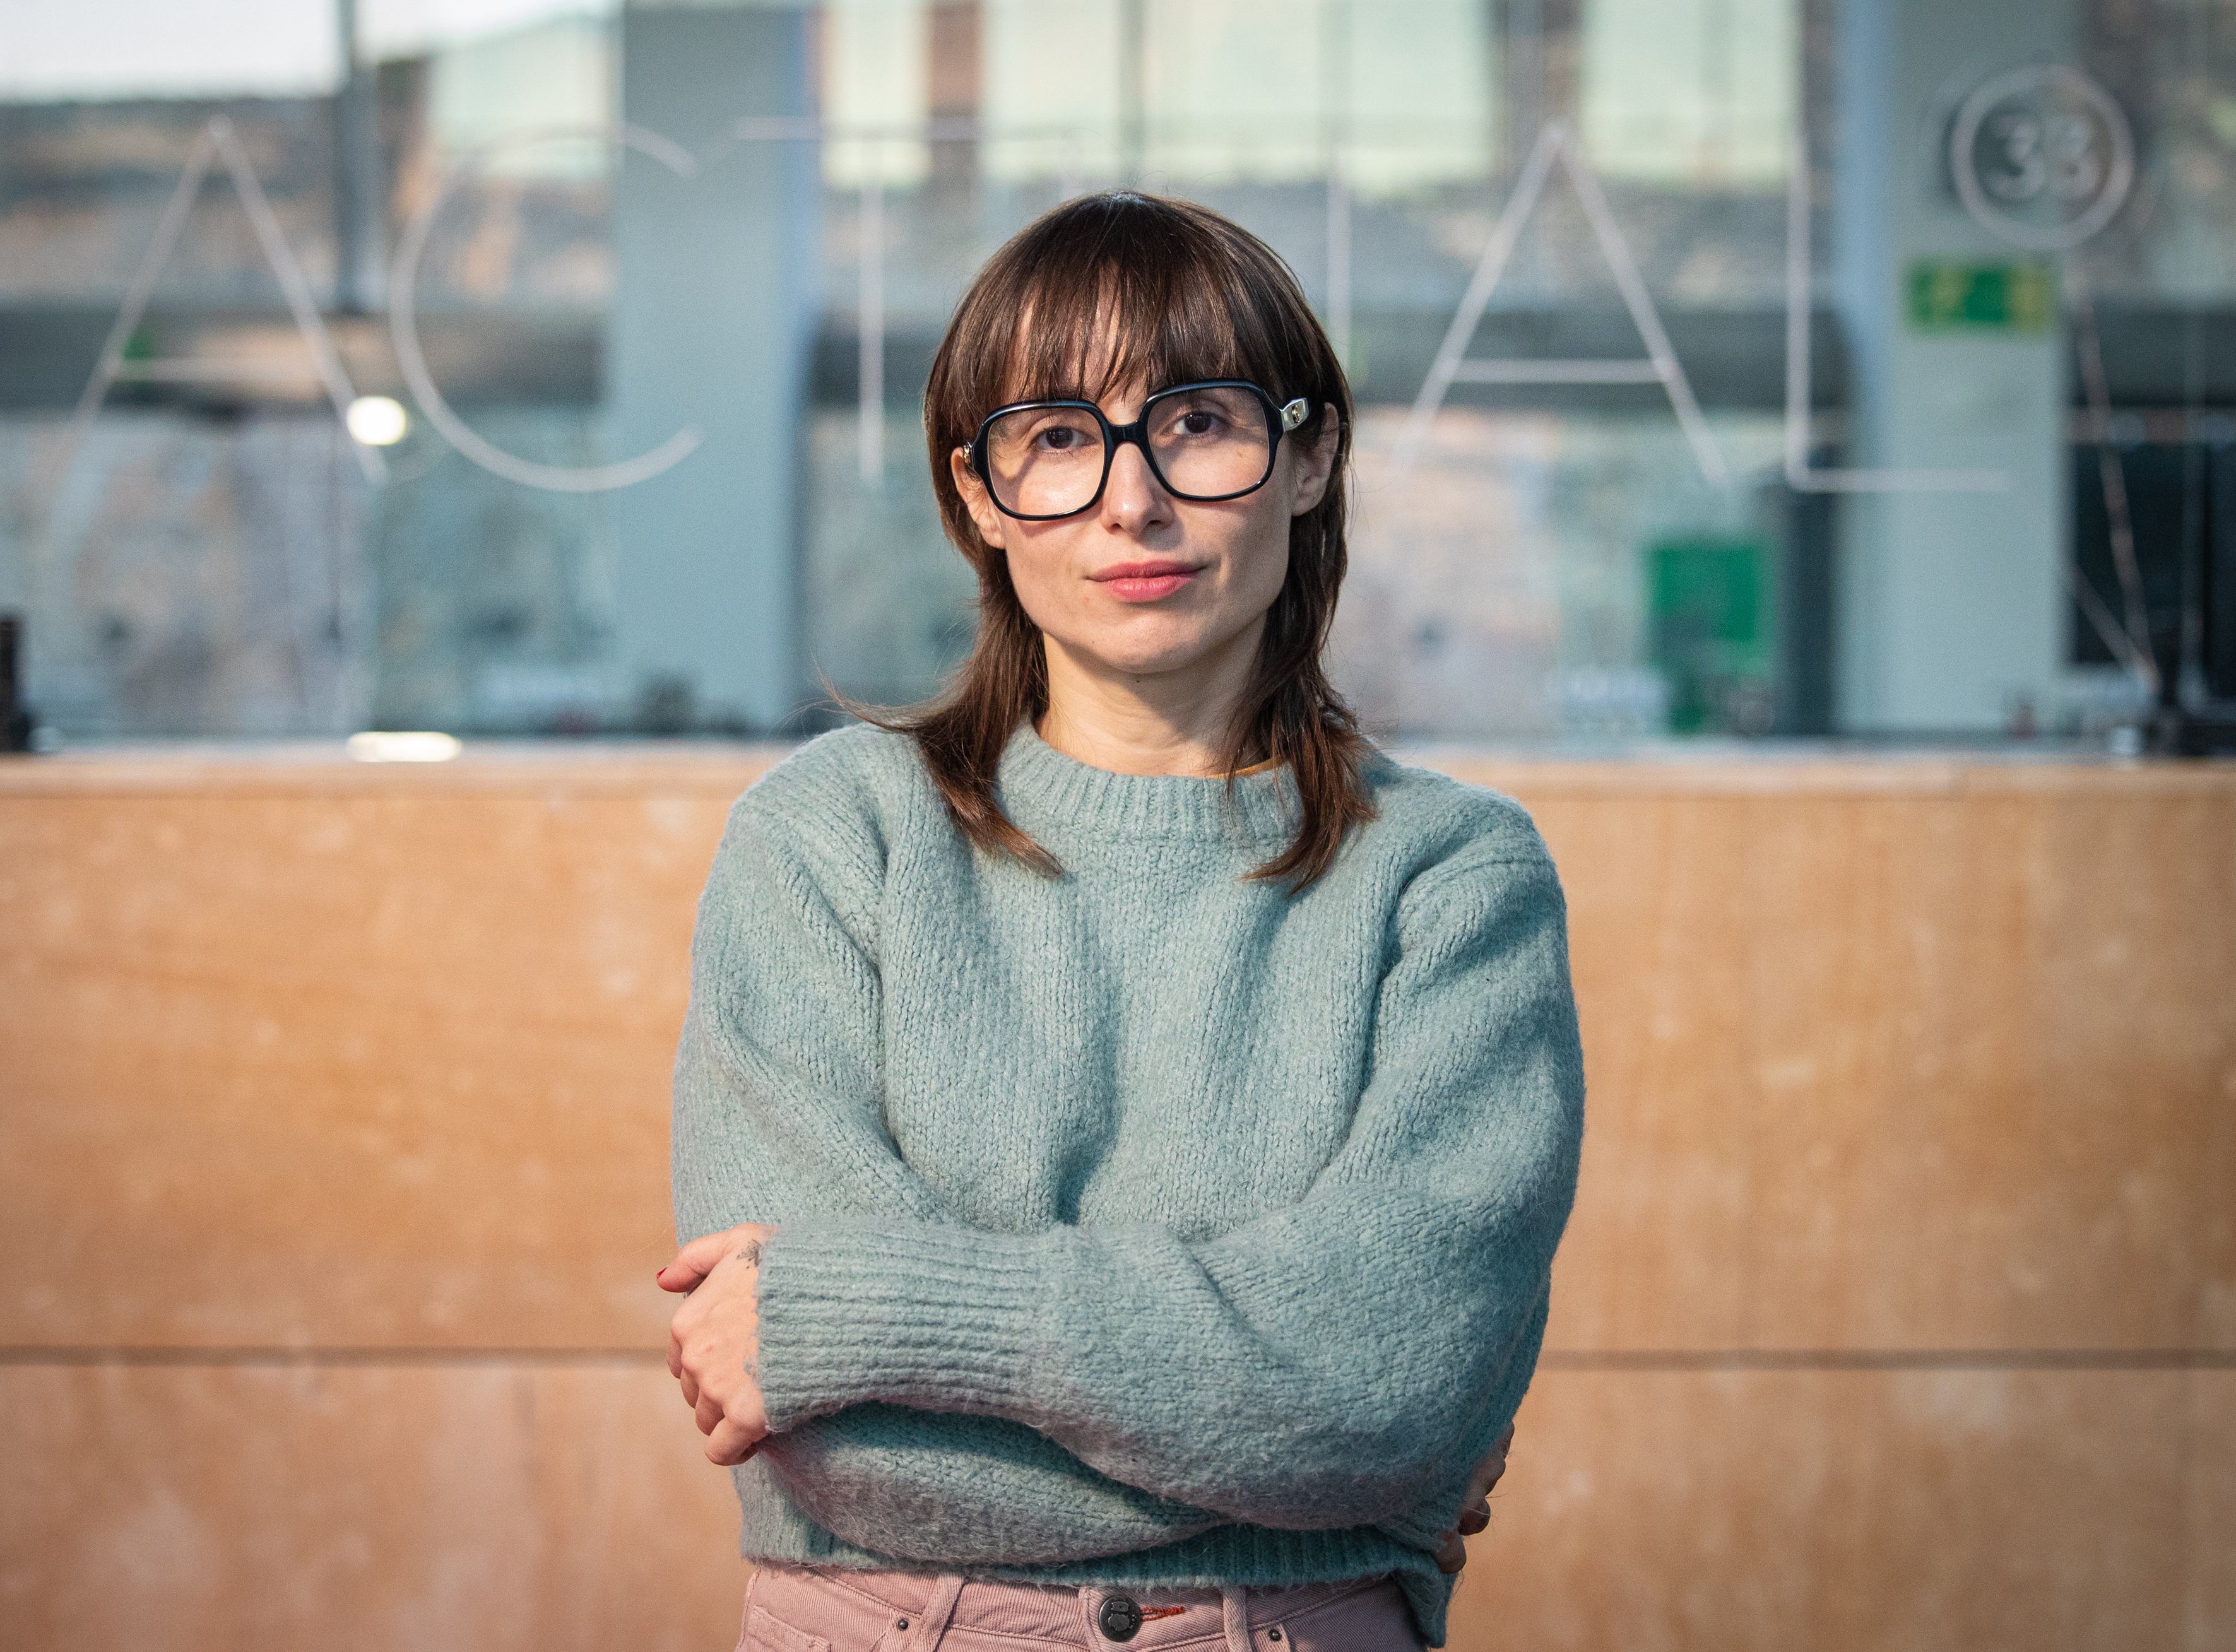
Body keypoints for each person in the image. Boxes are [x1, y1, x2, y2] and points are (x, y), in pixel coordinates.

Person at [656, 189, 1586, 1652]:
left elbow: (1384, 1390)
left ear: (1309, 453)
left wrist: (876, 1309)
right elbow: (839, 1450)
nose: (1129, 500)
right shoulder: (833, 837)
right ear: (976, 495)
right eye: (1056, 438)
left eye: (1196, 421)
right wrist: (1287, 1442)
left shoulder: (1449, 878)